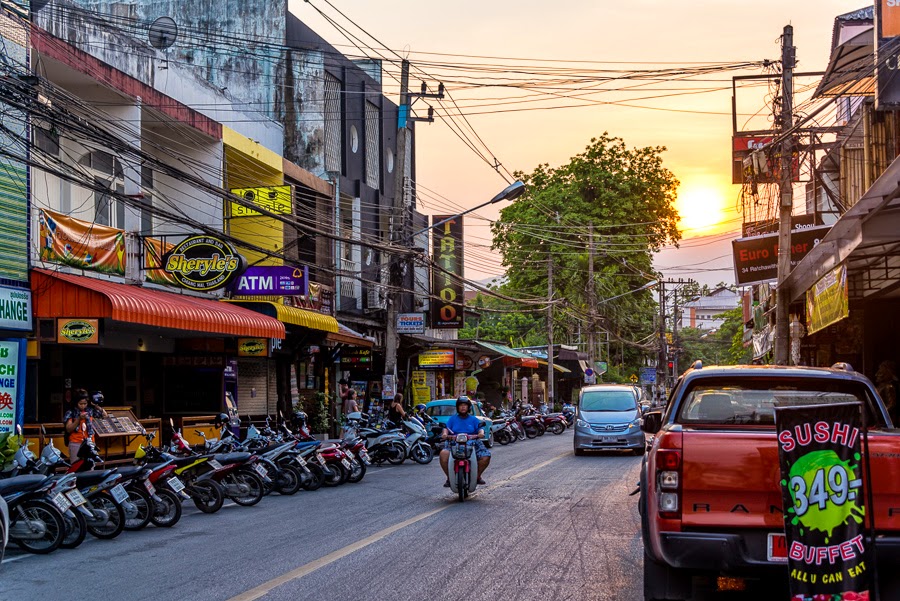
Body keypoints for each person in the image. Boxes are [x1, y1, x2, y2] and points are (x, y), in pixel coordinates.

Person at [440, 396, 490, 487]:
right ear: (457, 407)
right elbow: (446, 429)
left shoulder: (474, 419)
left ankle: (477, 476)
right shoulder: (452, 419)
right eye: (461, 405)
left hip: (472, 442)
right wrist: (444, 434)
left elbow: (480, 429)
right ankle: (449, 478)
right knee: (443, 454)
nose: (463, 407)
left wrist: (480, 433)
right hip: (454, 442)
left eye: (465, 405)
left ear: (468, 407)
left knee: (486, 456)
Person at [64, 388, 108, 459]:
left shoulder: (90, 410)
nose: (83, 406)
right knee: (77, 465)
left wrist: (96, 406)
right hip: (76, 442)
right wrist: (79, 419)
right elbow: (68, 429)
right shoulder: (71, 412)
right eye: (81, 404)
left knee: (90, 465)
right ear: (76, 403)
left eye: (85, 404)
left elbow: (105, 415)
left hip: (90, 442)